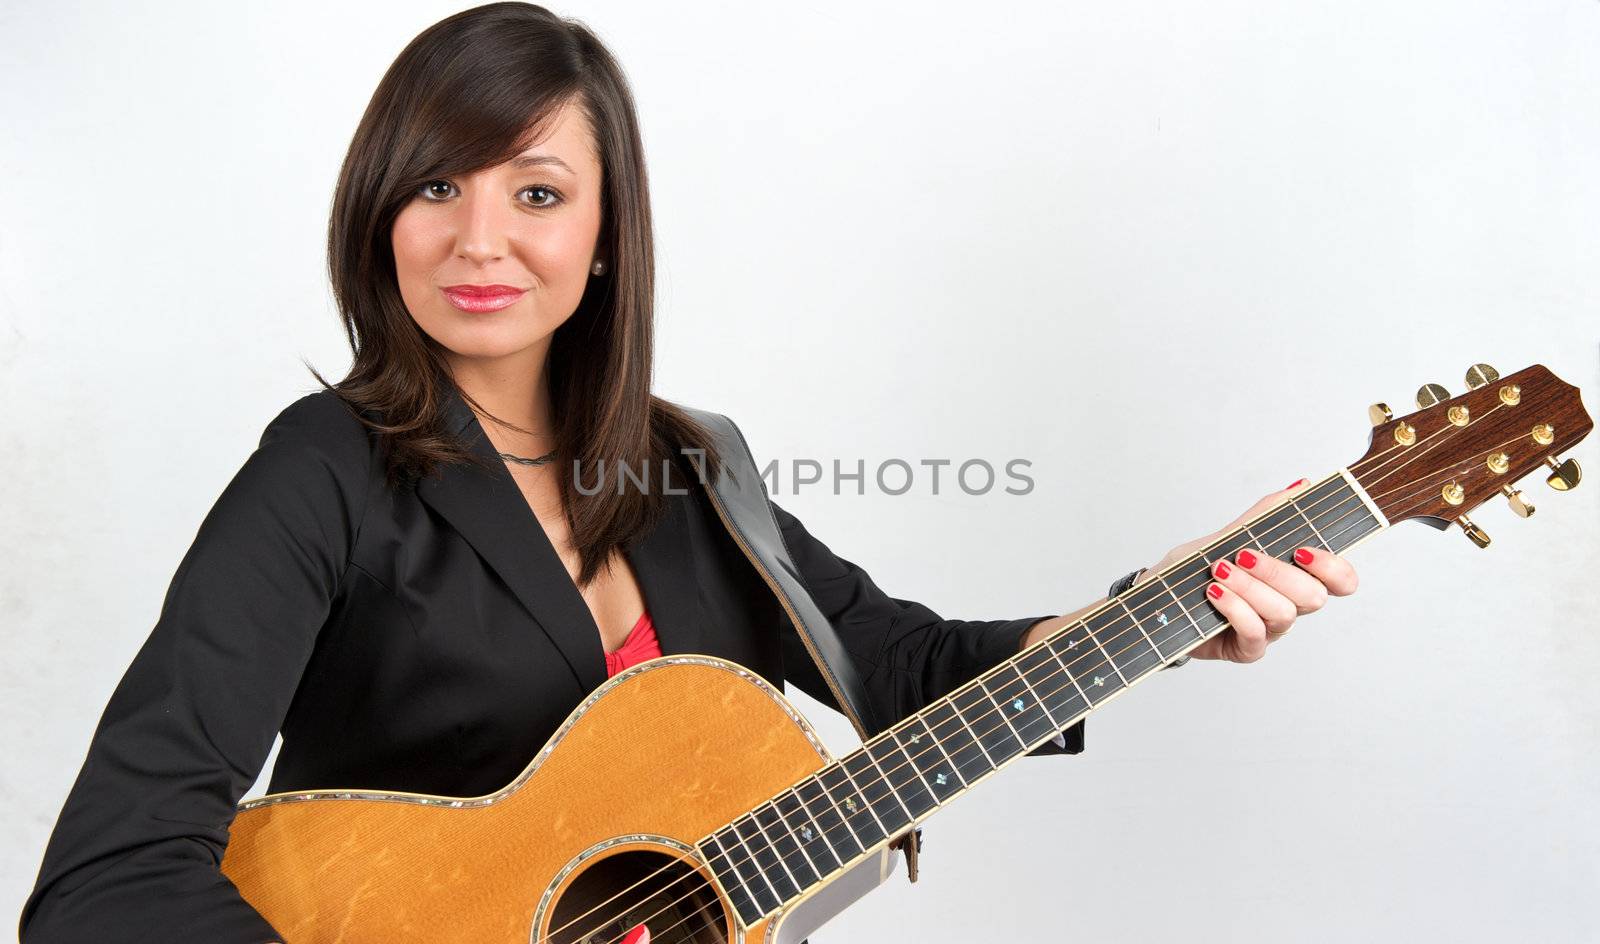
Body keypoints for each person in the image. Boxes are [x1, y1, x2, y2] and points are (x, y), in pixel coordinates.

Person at [17, 3, 1359, 941]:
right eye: (438, 187)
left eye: (536, 192)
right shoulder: (320, 476)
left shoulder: (683, 467)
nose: (480, 238)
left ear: (604, 232)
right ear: (380, 211)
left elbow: (896, 670)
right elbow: (107, 880)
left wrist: (1171, 611)